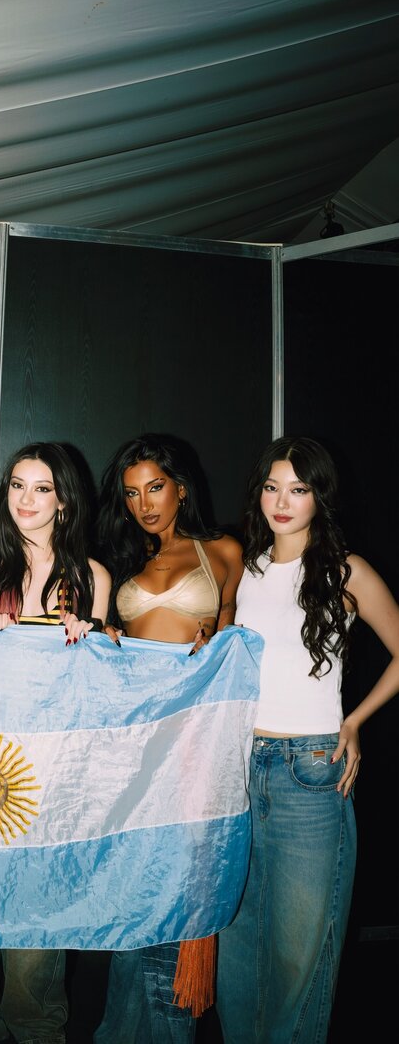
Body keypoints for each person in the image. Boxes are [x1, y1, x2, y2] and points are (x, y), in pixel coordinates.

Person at [215, 435, 399, 1043]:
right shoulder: (246, 568)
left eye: (298, 489)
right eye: (272, 487)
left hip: (312, 769)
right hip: (242, 767)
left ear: (320, 496)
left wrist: (354, 721)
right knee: (237, 950)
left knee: (299, 955)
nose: (282, 502)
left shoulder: (347, 569)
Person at [0, 441, 111, 1044]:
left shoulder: (90, 576)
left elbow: (99, 692)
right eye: (17, 485)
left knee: (37, 921)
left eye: (42, 488)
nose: (26, 500)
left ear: (64, 500)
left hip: (52, 773)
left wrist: (90, 641)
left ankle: (36, 1030)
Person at [93, 432, 243, 1044]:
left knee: (181, 887)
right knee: (134, 891)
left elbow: (237, 644)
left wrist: (218, 642)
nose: (144, 504)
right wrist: (105, 640)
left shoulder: (223, 550)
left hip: (196, 740)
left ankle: (167, 1027)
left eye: (155, 488)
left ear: (181, 487)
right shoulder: (118, 558)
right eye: (132, 494)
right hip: (135, 744)